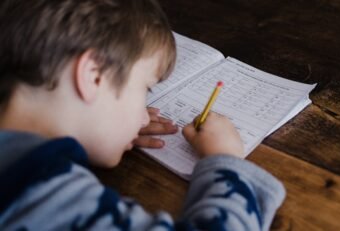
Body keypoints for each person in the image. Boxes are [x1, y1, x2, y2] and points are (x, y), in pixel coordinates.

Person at [0, 0, 285, 230]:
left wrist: (99, 129)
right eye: (145, 89)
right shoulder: (44, 195)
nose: (145, 118)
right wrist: (225, 161)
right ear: (94, 76)